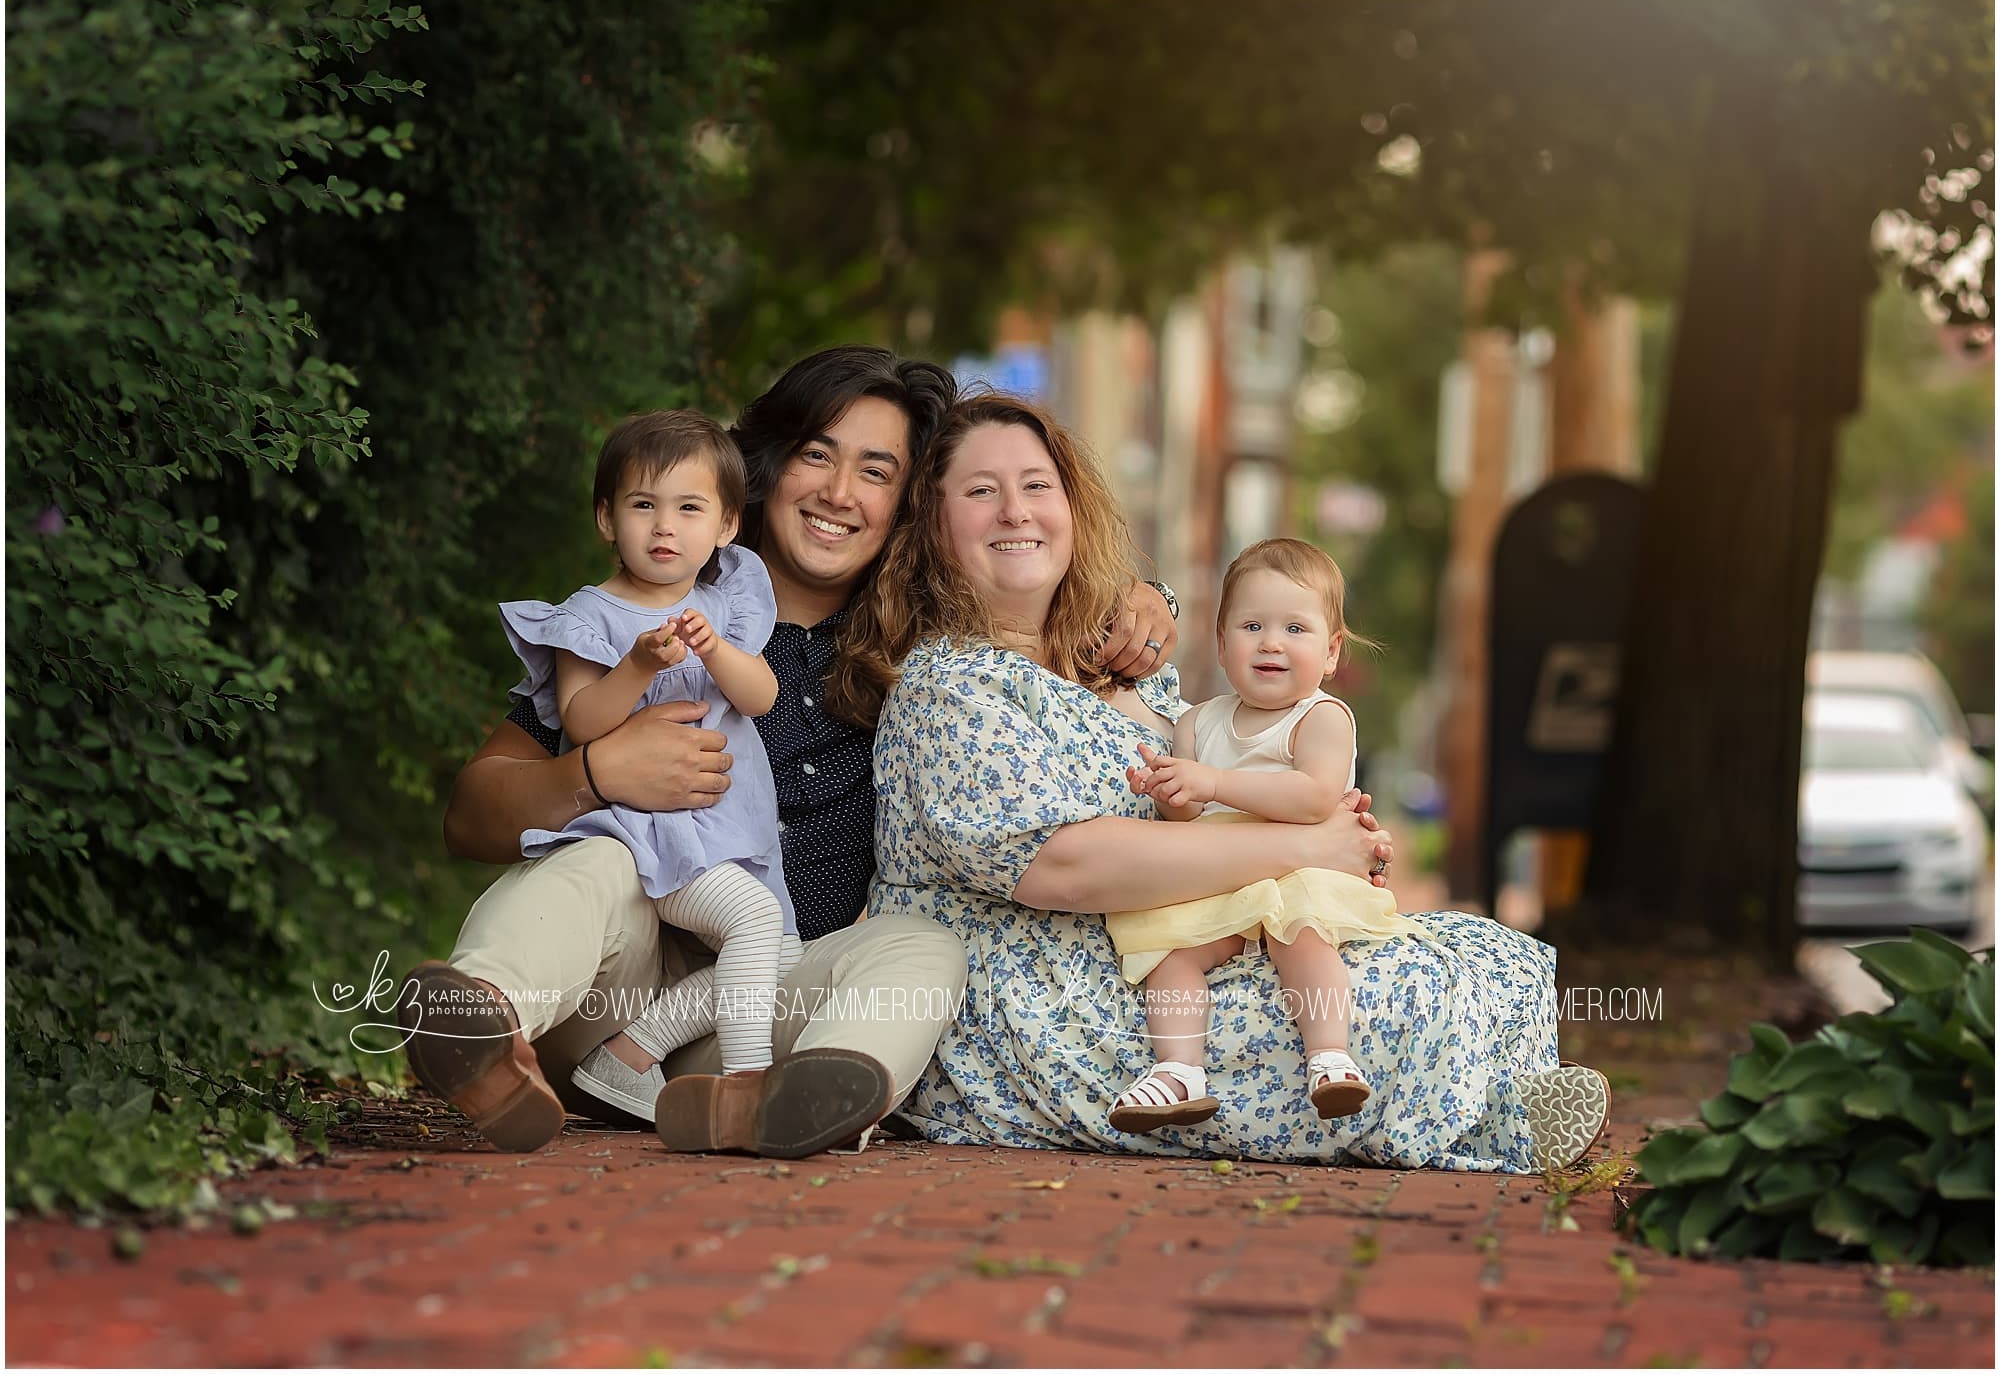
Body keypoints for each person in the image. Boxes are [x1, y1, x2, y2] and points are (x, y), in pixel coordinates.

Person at [400, 347, 1194, 1159]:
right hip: (612, 991)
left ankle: (804, 1099)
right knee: (598, 862)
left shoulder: (927, 653)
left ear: (907, 507)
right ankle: (480, 1021)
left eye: (877, 472)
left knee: (924, 948)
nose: (840, 493)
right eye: (817, 454)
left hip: (757, 1021)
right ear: (763, 473)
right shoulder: (654, 620)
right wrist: (595, 774)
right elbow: (472, 814)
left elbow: (1042, 597)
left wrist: (1140, 598)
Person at [835, 392, 1608, 1171]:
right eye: (980, 491)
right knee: (1394, 995)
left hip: (1177, 943)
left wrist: (1327, 839)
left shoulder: (1110, 667)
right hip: (1050, 999)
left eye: (1037, 485)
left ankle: (1505, 1106)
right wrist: (1303, 845)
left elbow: (1233, 784)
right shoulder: (953, 686)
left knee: (1478, 949)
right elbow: (1065, 865)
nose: (1016, 511)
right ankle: (1492, 1125)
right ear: (933, 526)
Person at [493, 410, 801, 1119]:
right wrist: (635, 665)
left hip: (730, 829)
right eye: (643, 505)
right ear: (608, 519)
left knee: (779, 954)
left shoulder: (724, 605)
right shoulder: (590, 617)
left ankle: (629, 1056)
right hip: (655, 834)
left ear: (725, 526)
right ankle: (745, 1089)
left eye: (689, 508)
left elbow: (762, 696)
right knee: (756, 923)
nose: (665, 527)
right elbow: (581, 721)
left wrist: (716, 650)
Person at [1107, 537, 1429, 1133]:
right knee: (1169, 958)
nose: (1272, 642)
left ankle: (1330, 1055)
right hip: (1221, 879)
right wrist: (1171, 793)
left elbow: (1312, 798)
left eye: (1296, 629)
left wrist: (1212, 782)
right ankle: (1179, 1071)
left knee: (1302, 938)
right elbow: (1186, 821)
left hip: (1297, 875)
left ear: (1332, 652)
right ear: (1223, 646)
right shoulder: (1196, 724)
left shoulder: (1320, 717)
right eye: (1252, 626)